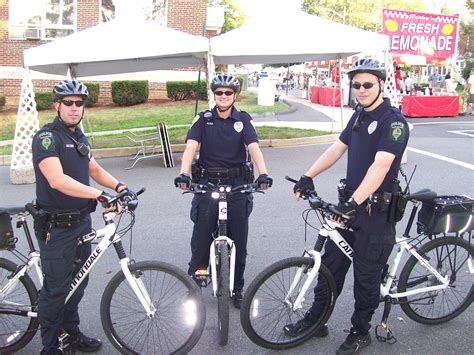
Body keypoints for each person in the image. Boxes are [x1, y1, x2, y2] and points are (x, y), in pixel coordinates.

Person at [284, 59, 409, 355]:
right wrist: (308, 175)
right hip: (349, 206)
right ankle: (318, 318)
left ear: (381, 84)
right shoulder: (358, 116)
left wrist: (354, 204)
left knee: (366, 276)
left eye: (368, 84)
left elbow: (380, 167)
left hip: (374, 212)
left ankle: (360, 331)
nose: (361, 90)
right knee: (331, 266)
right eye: (356, 85)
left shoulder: (393, 122)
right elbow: (337, 148)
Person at [32, 80, 130, 354]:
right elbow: (56, 179)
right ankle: (49, 347)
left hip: (81, 222)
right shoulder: (47, 138)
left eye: (79, 103)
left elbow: (94, 168)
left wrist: (119, 187)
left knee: (79, 280)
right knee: (56, 289)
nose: (74, 108)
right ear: (57, 105)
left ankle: (71, 333)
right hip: (57, 227)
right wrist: (99, 196)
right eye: (68, 102)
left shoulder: (78, 137)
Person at [174, 73, 273, 309]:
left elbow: (254, 147)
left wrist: (263, 174)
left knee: (239, 241)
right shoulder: (203, 120)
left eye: (228, 92)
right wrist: (184, 173)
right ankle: (197, 282)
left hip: (237, 185)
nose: (223, 96)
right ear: (213, 94)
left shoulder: (243, 120)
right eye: (219, 92)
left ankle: (237, 287)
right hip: (208, 184)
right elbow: (190, 147)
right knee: (200, 238)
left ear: (234, 95)